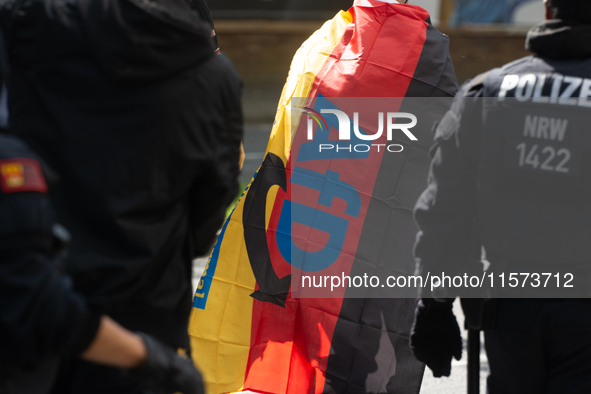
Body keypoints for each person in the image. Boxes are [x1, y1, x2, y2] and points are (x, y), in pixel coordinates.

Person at [0, 0, 243, 392]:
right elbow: (209, 205)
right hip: (143, 313)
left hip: (32, 297)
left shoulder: (22, 30)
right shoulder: (211, 71)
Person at [410, 0, 591, 392]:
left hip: (512, 311)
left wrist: (436, 303)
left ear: (548, 11)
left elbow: (445, 211)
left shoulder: (486, 93)